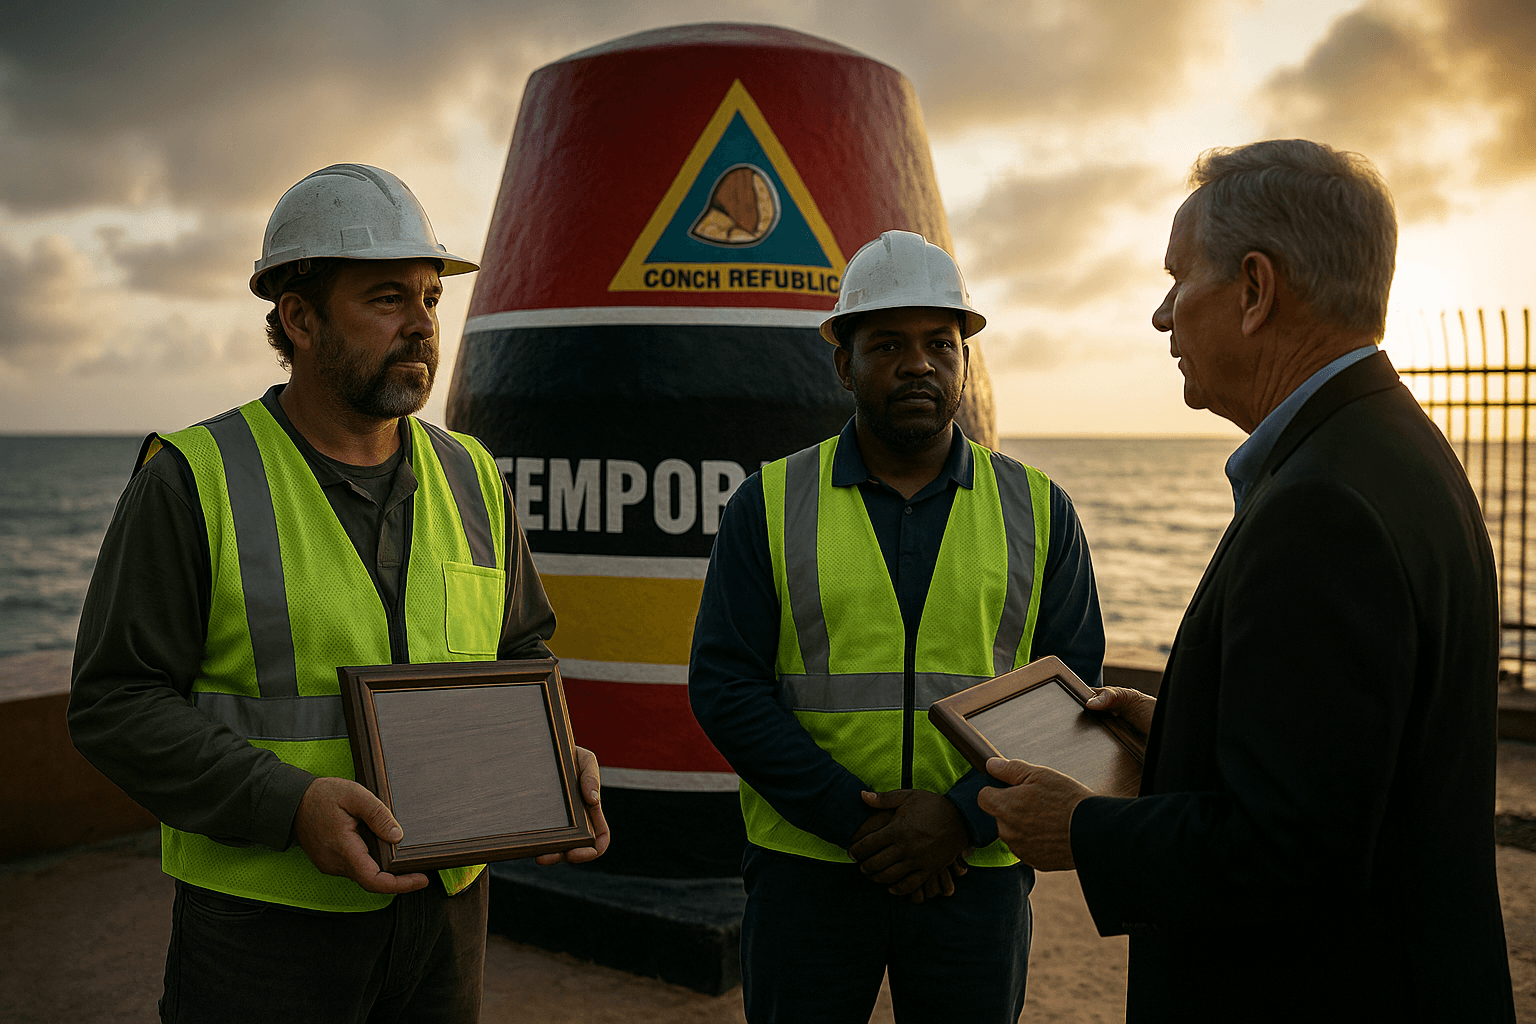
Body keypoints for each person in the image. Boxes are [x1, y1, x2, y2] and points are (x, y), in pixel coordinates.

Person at [977, 140, 1516, 1022]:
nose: (1161, 317)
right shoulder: (1393, 446)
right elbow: (1349, 765)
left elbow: (1288, 852)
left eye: (1177, 279)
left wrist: (1080, 828)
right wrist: (1184, 734)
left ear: (1256, 290)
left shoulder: (1323, 508)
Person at [68, 163, 609, 1024]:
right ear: (300, 318)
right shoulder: (192, 479)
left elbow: (520, 651)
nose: (422, 326)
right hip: (266, 929)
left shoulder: (472, 475)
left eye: (431, 299)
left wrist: (551, 755)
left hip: (446, 920)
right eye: (387, 299)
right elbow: (114, 702)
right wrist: (290, 806)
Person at [689, 230, 1105, 1023]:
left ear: (964, 362)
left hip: (973, 869)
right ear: (844, 363)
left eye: (940, 343)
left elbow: (1071, 686)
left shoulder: (1039, 509)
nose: (919, 364)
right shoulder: (767, 504)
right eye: (888, 343)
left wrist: (958, 814)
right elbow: (725, 687)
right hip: (808, 868)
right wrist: (859, 822)